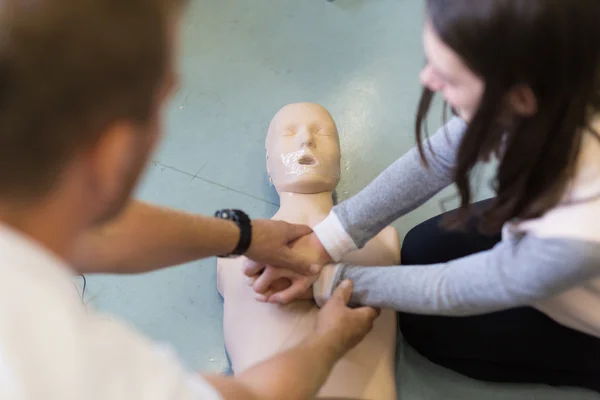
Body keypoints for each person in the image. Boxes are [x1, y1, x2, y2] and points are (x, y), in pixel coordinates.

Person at [0, 0, 380, 399]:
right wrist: (328, 340)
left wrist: (241, 235)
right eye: (161, 99)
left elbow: (98, 235)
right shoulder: (69, 371)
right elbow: (252, 395)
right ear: (115, 153)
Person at [244, 0, 600, 393]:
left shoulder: (580, 228)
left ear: (520, 97)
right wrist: (324, 239)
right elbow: (441, 155)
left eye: (448, 75)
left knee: (432, 330)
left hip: (582, 290)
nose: (427, 79)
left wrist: (328, 281)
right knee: (421, 247)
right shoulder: (555, 80)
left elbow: (464, 286)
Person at [218, 103, 400, 400]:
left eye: (322, 133)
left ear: (340, 160)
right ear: (268, 164)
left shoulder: (386, 239)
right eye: (289, 133)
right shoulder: (231, 247)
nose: (306, 141)